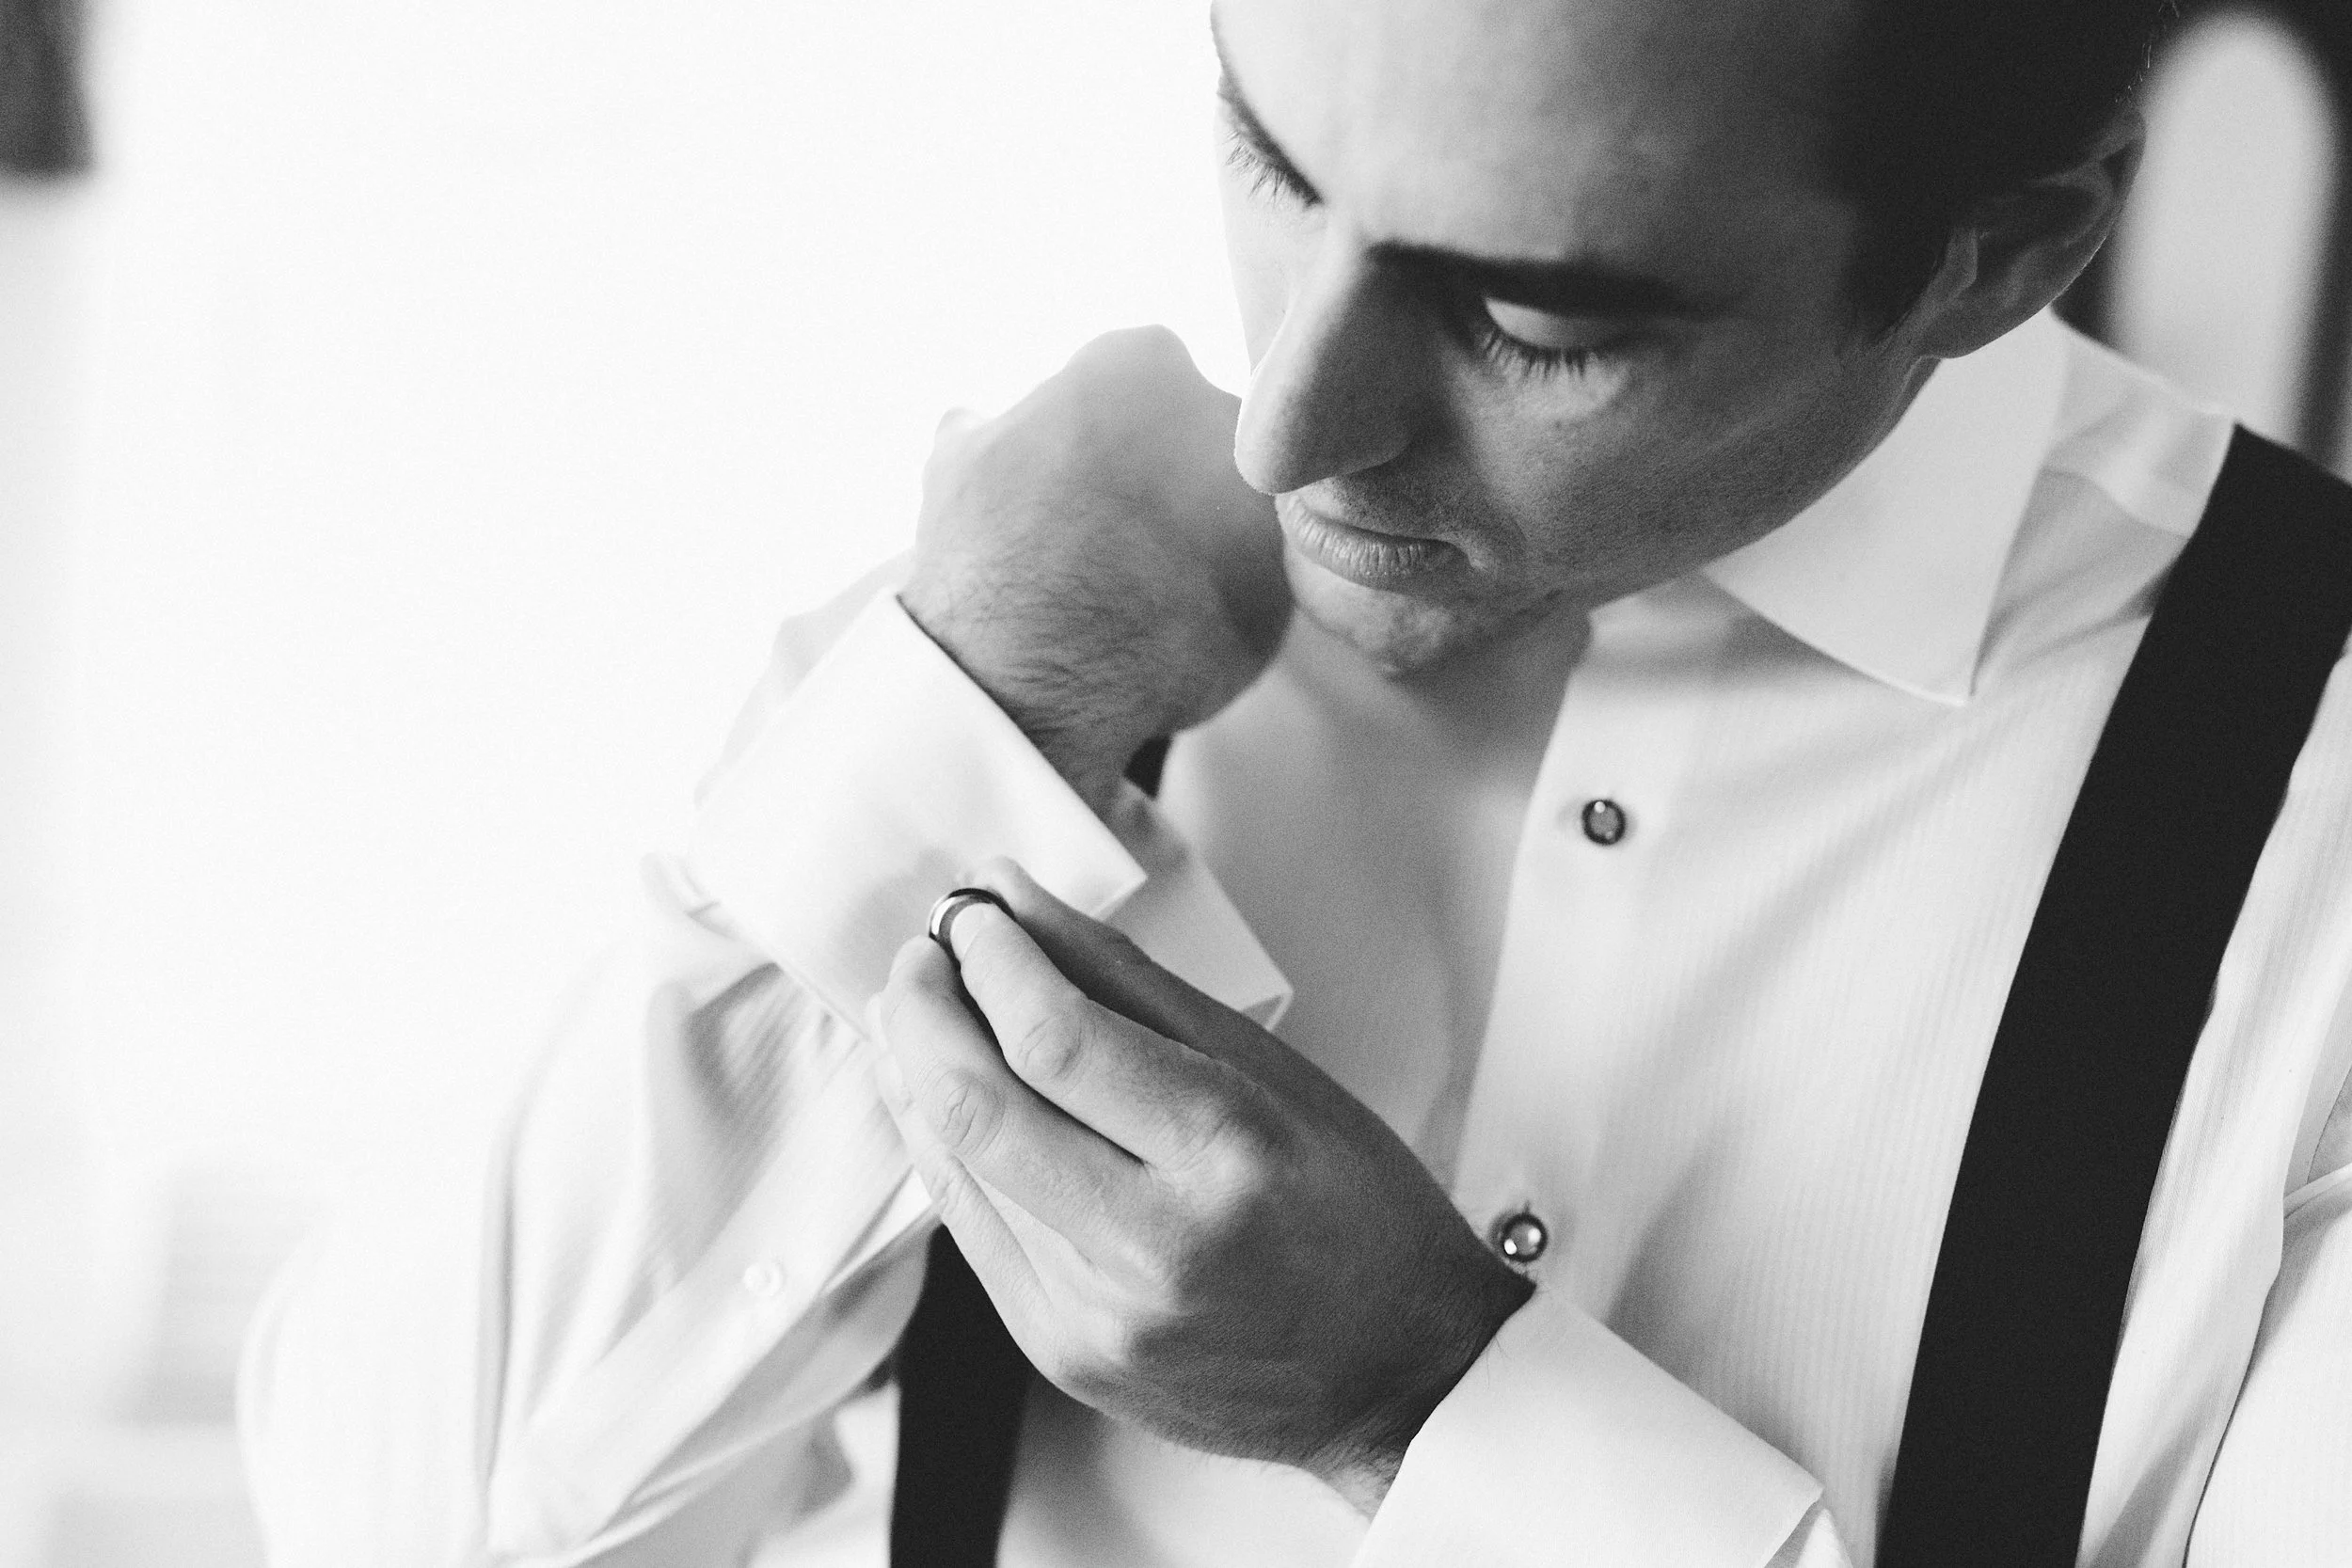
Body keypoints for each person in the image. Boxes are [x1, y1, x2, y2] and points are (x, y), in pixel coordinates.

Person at [240, 0, 2352, 1562]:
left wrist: (1419, 1400)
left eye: (1533, 320)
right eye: (1268, 155)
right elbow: (394, 1510)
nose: (1292, 428)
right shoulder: (1029, 607)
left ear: (1996, 255)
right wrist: (957, 711)